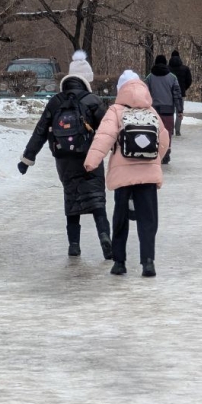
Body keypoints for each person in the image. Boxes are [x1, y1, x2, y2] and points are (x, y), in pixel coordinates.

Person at [17, 50, 112, 259]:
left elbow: (40, 131)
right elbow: (107, 129)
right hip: (90, 157)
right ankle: (105, 237)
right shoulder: (92, 100)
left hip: (64, 159)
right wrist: (118, 149)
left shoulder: (55, 102)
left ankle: (74, 245)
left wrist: (27, 159)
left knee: (72, 200)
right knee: (97, 200)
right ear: (86, 79)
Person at [84, 70, 170, 277]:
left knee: (120, 218)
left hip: (122, 176)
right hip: (148, 175)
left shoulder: (115, 110)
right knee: (148, 219)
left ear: (120, 90)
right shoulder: (151, 111)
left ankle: (119, 262)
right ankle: (148, 262)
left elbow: (104, 137)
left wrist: (91, 162)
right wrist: (154, 160)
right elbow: (164, 139)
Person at [144, 54, 181, 163]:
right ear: (166, 63)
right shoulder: (172, 77)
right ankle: (166, 152)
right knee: (167, 131)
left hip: (153, 109)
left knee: (154, 131)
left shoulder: (149, 77)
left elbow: (145, 93)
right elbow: (177, 95)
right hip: (168, 110)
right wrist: (180, 110)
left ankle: (155, 150)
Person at [168, 50, 192, 136]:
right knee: (179, 111)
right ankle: (177, 129)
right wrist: (184, 88)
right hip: (181, 93)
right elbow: (189, 81)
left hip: (169, 94)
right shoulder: (185, 69)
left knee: (170, 111)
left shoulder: (167, 69)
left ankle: (170, 129)